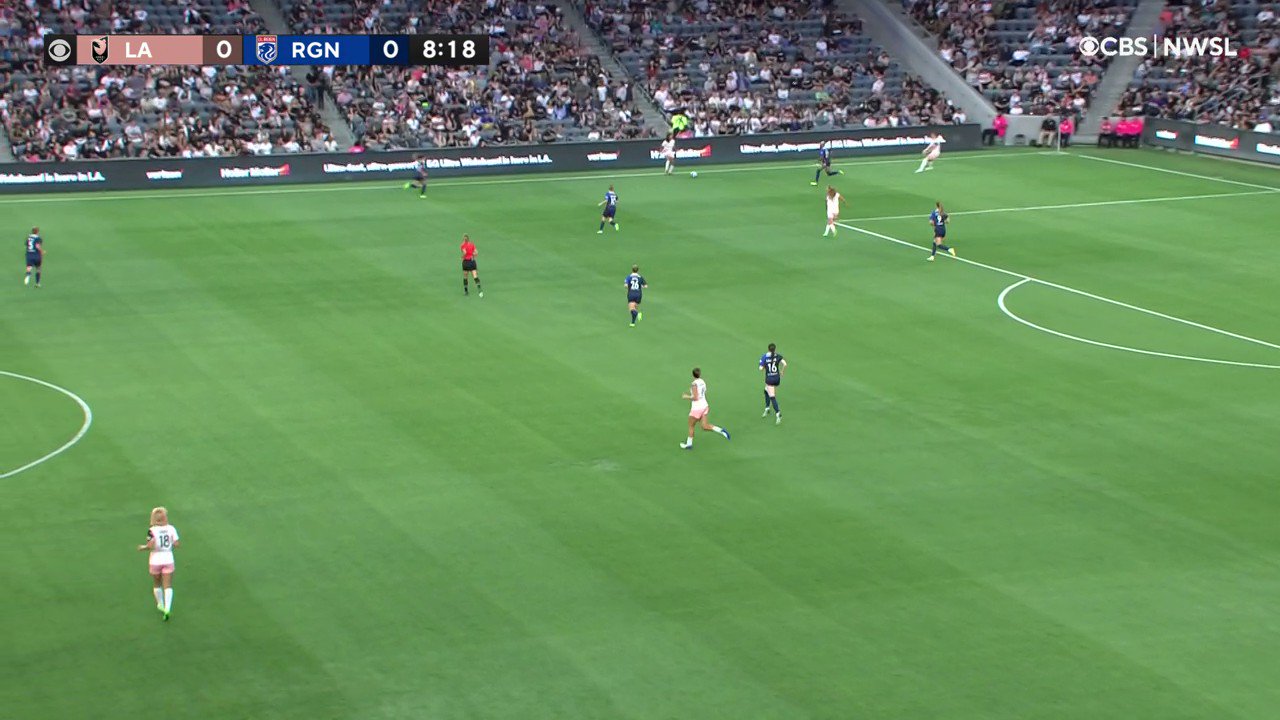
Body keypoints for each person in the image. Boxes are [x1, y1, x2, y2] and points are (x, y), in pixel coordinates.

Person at [137, 506, 179, 621]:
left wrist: (143, 547)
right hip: (168, 559)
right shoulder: (171, 528)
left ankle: (160, 604)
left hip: (155, 560)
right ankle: (167, 607)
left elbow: (150, 546)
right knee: (168, 585)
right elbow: (176, 544)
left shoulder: (152, 531)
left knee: (157, 583)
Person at [680, 368, 730, 450]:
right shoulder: (702, 382)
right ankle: (721, 430)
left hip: (697, 408)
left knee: (691, 425)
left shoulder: (694, 384)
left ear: (693, 375)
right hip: (704, 406)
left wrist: (686, 396)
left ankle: (689, 445)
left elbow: (695, 397)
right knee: (704, 426)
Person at [759, 343, 787, 424]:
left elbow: (760, 368)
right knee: (765, 390)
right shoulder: (777, 356)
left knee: (772, 396)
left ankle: (778, 413)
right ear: (775, 349)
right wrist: (782, 372)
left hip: (770, 379)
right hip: (777, 378)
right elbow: (785, 364)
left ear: (768, 349)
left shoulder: (765, 357)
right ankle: (767, 408)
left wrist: (764, 366)